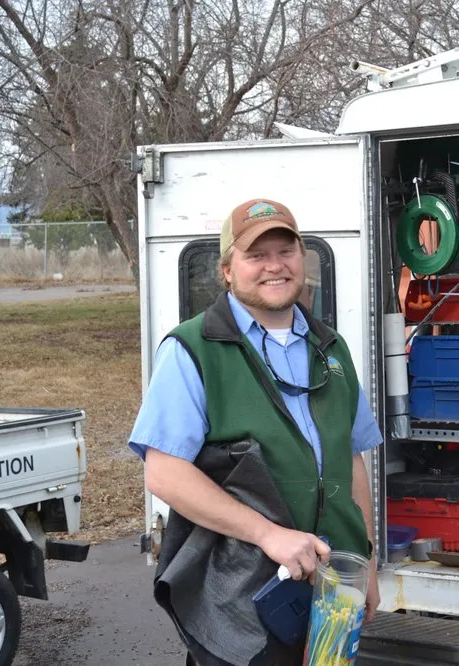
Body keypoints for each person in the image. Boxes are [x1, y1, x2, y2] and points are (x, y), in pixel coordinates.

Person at [127, 198, 382, 664]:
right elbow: (164, 475)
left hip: (332, 593)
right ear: (227, 270)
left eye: (285, 251)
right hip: (241, 598)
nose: (274, 266)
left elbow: (351, 460)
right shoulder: (192, 350)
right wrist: (270, 535)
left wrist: (364, 563)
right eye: (256, 255)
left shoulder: (331, 347)